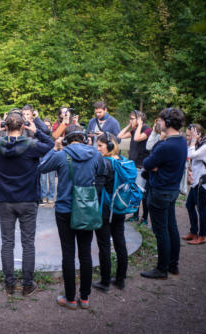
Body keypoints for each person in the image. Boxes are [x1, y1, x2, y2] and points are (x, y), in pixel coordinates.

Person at [0, 112, 54, 297]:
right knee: (28, 244)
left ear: (5, 126)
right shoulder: (31, 146)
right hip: (27, 200)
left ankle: (9, 284)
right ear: (23, 126)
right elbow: (50, 144)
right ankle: (27, 285)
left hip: (5, 201)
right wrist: (37, 130)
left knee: (7, 243)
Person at [38, 125, 104, 309]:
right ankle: (85, 298)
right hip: (86, 208)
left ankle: (70, 298)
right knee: (85, 253)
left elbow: (41, 167)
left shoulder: (61, 154)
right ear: (84, 138)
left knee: (68, 253)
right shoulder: (95, 154)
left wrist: (55, 147)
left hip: (65, 209)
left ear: (66, 138)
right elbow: (101, 172)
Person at [141, 107, 187, 279]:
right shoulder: (181, 141)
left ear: (167, 123)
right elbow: (152, 164)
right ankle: (173, 265)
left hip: (160, 191)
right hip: (172, 190)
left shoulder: (165, 146)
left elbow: (147, 162)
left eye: (160, 121)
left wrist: (156, 164)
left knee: (161, 231)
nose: (158, 123)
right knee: (171, 227)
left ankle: (162, 269)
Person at [92, 133, 128, 292]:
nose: (97, 148)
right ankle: (120, 279)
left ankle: (105, 282)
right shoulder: (122, 160)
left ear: (111, 146)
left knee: (104, 245)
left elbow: (98, 189)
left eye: (100, 145)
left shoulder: (104, 163)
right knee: (120, 242)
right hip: (119, 208)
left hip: (104, 210)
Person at [117, 110, 152, 224]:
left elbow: (137, 138)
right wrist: (129, 125)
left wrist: (140, 125)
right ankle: (135, 215)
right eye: (130, 119)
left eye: (132, 118)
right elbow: (120, 135)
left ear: (140, 119)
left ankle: (144, 218)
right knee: (134, 191)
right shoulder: (134, 130)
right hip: (133, 165)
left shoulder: (147, 130)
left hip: (141, 165)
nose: (130, 120)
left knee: (142, 193)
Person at [182, 124, 206, 245]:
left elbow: (190, 155)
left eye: (190, 135)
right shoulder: (199, 145)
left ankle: (202, 236)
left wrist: (193, 142)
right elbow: (192, 160)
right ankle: (193, 232)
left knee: (201, 209)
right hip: (196, 182)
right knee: (189, 205)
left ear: (198, 134)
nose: (188, 137)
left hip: (203, 183)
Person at [40, 118, 56, 204]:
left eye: (48, 125)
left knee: (51, 179)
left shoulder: (53, 136)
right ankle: (44, 195)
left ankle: (51, 196)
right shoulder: (39, 135)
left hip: (51, 158)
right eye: (44, 125)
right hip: (42, 157)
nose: (46, 127)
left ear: (50, 126)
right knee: (42, 179)